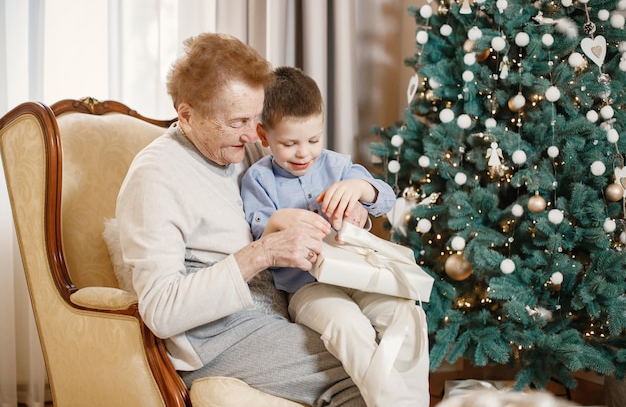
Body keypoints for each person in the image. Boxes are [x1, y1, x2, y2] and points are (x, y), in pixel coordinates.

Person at [116, 33, 367, 407]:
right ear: (187, 115)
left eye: (255, 118)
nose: (254, 136)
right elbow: (161, 310)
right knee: (365, 368)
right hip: (219, 337)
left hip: (269, 312)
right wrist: (262, 252)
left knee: (379, 339)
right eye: (238, 122)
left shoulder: (224, 153)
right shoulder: (155, 176)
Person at [240, 66, 430, 407]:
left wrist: (360, 191)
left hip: (361, 277)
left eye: (313, 140)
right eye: (289, 143)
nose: (304, 153)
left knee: (405, 315)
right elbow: (259, 233)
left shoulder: (338, 166)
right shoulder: (259, 180)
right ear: (263, 135)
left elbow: (384, 197)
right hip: (307, 289)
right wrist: (280, 221)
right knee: (348, 324)